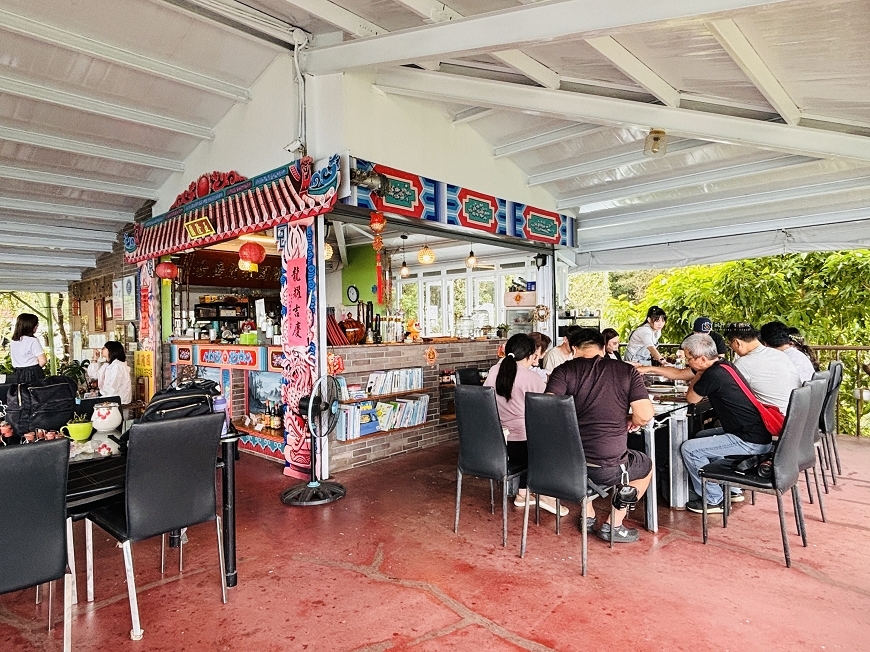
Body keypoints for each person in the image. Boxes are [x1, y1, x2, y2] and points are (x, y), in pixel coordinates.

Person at [546, 328, 654, 543]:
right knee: (644, 466)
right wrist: (630, 419)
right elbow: (644, 416)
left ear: (574, 349)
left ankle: (587, 515)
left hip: (567, 465)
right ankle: (614, 524)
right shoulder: (626, 371)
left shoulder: (563, 371)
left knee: (584, 464)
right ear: (604, 348)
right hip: (608, 466)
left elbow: (548, 411)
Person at [679, 334, 776, 514]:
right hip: (757, 434)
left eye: (688, 359)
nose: (687, 362)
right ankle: (730, 488)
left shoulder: (712, 374)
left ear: (701, 359)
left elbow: (691, 398)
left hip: (749, 440)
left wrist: (698, 374)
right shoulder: (726, 365)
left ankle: (713, 500)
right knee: (701, 437)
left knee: (690, 449)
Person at [483, 334, 566, 516]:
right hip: (523, 444)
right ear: (530, 354)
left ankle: (523, 493)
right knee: (556, 436)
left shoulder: (494, 371)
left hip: (497, 442)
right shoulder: (532, 378)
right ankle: (544, 492)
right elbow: (549, 408)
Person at [723, 323, 800, 413]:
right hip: (795, 416)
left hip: (775, 421)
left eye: (730, 345)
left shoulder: (742, 363)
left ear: (737, 342)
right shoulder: (779, 354)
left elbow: (730, 394)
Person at [9, 313, 47, 383]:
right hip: (33, 373)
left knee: (20, 392)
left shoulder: (14, 341)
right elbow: (43, 361)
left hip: (17, 373)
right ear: (30, 326)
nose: (37, 327)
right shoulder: (33, 340)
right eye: (36, 325)